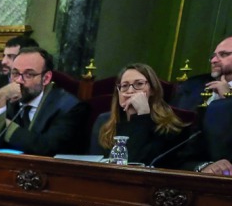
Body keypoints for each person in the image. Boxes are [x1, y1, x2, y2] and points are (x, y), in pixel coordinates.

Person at [89, 63, 220, 171]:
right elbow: (94, 165)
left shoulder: (169, 126)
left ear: (152, 90)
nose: (130, 91)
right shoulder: (104, 121)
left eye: (139, 84)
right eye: (124, 86)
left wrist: (143, 116)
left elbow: (137, 164)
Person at [0, 47, 88, 156]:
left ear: (46, 78)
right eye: (15, 73)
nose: (18, 81)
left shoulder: (69, 107)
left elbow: (46, 148)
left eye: (28, 74)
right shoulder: (6, 98)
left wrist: (4, 125)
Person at [173, 35, 232, 110]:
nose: (213, 61)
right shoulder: (193, 85)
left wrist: (227, 99)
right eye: (213, 56)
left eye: (223, 54)